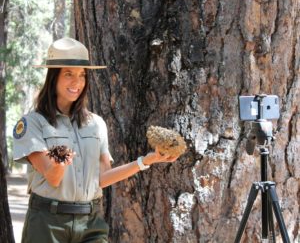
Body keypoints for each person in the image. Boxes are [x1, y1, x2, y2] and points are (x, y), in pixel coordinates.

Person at [13, 37, 179, 243]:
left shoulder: (96, 123)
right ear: (53, 77)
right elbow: (53, 178)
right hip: (48, 223)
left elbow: (102, 177)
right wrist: (60, 163)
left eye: (82, 75)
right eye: (68, 74)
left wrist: (146, 161)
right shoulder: (32, 123)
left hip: (91, 222)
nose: (77, 82)